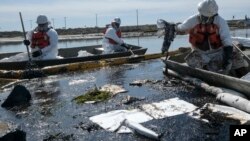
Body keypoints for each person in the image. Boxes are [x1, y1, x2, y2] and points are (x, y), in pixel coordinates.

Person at [174, 0, 248, 77]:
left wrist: (227, 61)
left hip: (218, 52)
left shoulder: (221, 22)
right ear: (200, 13)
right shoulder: (192, 20)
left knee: (235, 55)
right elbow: (180, 28)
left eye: (209, 18)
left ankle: (243, 77)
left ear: (214, 15)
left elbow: (227, 42)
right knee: (192, 60)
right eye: (204, 17)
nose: (206, 20)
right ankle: (207, 74)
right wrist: (175, 27)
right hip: (200, 53)